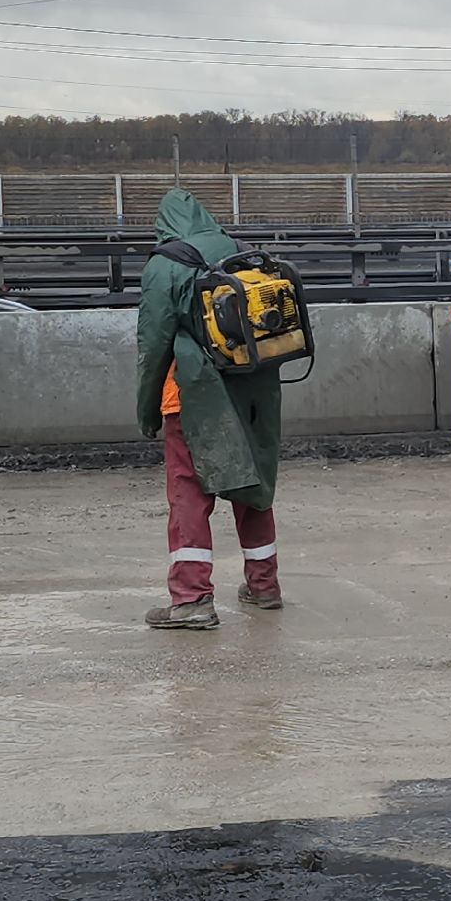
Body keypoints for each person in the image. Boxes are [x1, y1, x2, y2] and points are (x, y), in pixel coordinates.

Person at [136, 189, 284, 630]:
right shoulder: (245, 253)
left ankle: (191, 599)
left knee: (189, 493)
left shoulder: (166, 264)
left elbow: (153, 344)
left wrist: (146, 409)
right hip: (256, 391)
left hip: (194, 395)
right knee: (252, 483)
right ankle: (264, 586)